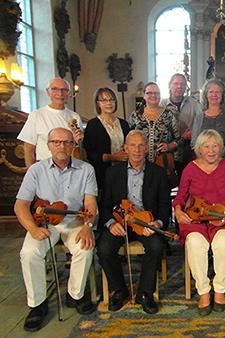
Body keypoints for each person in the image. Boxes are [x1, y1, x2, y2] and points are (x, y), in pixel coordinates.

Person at [15, 128, 97, 332]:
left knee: (85, 248)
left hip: (74, 220)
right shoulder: (36, 170)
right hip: (45, 223)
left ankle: (75, 295)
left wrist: (88, 225)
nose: (62, 146)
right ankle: (37, 304)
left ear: (73, 146)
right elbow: (20, 205)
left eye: (67, 142)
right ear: (49, 145)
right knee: (29, 252)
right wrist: (32, 229)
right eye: (57, 142)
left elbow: (90, 202)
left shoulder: (86, 169)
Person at [173, 129, 225, 316]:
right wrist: (178, 212)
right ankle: (204, 291)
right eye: (206, 146)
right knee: (195, 244)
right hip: (196, 219)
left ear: (220, 148)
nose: (211, 150)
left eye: (215, 146)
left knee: (223, 243)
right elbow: (180, 198)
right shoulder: (190, 168)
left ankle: (220, 289)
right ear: (199, 149)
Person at [97, 130, 170, 314]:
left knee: (155, 246)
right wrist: (110, 224)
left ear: (147, 148)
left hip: (146, 223)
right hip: (119, 223)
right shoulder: (112, 173)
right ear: (125, 148)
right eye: (132, 145)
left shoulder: (159, 173)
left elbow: (164, 207)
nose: (137, 150)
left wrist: (158, 224)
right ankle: (119, 290)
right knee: (104, 249)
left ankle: (145, 293)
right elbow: (104, 205)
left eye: (141, 145)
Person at [18, 78, 84, 167]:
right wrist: (31, 173)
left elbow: (77, 147)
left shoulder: (75, 117)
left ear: (69, 93)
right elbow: (29, 148)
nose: (60, 93)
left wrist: (79, 140)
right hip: (44, 167)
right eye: (55, 89)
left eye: (64, 90)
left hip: (69, 167)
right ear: (48, 92)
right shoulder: (37, 115)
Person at [128, 82, 181, 185]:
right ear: (144, 95)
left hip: (163, 164)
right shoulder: (135, 116)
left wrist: (170, 146)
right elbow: (128, 139)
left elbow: (179, 139)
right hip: (139, 164)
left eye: (156, 93)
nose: (153, 95)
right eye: (149, 93)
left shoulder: (168, 115)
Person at [84, 87, 130, 193]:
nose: (109, 103)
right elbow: (91, 154)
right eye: (104, 100)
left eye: (111, 99)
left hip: (124, 171)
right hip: (103, 173)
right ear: (98, 103)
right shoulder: (93, 125)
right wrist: (112, 157)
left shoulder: (124, 124)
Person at [161, 73, 202, 174]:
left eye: (182, 84)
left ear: (186, 87)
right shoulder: (162, 104)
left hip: (188, 149)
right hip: (168, 150)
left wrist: (194, 132)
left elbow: (202, 122)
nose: (179, 86)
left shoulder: (194, 104)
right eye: (176, 83)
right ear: (170, 86)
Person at [191, 78, 225, 161]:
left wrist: (219, 153)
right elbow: (194, 142)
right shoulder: (199, 117)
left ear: (223, 95)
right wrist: (206, 154)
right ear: (206, 95)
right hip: (204, 161)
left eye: (217, 92)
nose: (214, 95)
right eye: (211, 92)